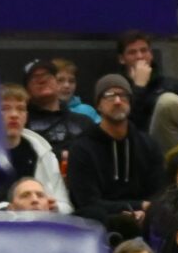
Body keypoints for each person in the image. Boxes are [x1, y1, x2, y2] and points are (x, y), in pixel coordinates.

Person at [68, 72, 163, 237]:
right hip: (103, 223)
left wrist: (147, 211)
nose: (118, 101)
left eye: (123, 95)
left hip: (145, 218)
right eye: (110, 96)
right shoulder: (81, 148)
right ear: (98, 105)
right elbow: (87, 202)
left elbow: (159, 191)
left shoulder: (148, 145)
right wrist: (136, 207)